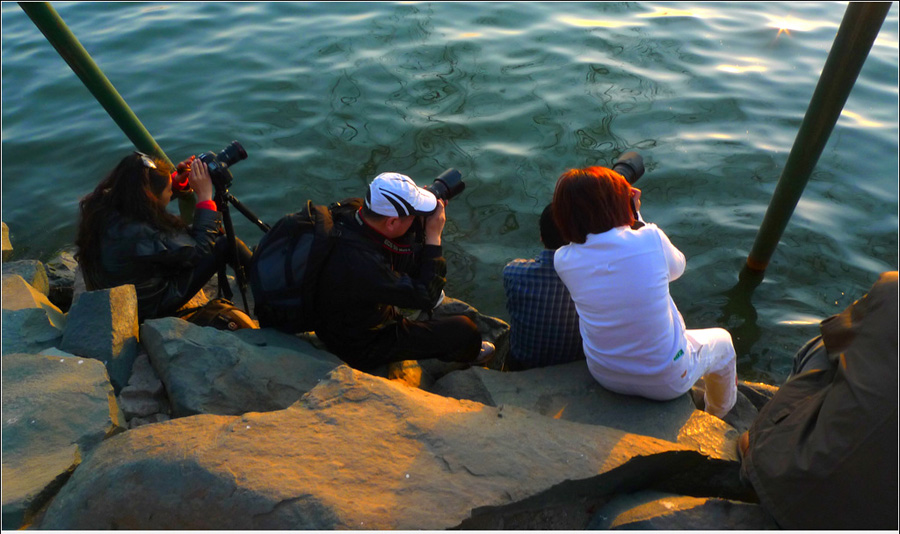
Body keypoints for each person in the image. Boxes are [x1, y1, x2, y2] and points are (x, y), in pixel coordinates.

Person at [551, 166, 737, 419]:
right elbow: (677, 268)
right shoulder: (650, 238)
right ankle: (717, 416)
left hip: (605, 374)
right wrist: (636, 215)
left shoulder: (563, 260)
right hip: (667, 381)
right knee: (724, 341)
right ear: (620, 204)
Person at [737, 271, 898, 530]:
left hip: (781, 483)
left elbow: (835, 338)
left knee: (827, 345)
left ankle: (767, 437)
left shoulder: (894, 288)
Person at [312, 172, 494, 372]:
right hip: (359, 342)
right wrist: (434, 236)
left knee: (406, 242)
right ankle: (466, 358)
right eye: (413, 215)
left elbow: (398, 240)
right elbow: (428, 297)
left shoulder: (353, 210)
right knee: (464, 331)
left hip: (340, 310)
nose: (417, 218)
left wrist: (417, 213)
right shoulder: (365, 265)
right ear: (391, 222)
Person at [74, 151, 253, 324]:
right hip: (148, 306)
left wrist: (175, 182)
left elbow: (146, 201)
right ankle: (267, 291)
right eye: (169, 190)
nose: (170, 193)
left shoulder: (102, 204)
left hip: (120, 288)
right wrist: (205, 197)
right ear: (150, 196)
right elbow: (201, 249)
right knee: (227, 244)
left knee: (194, 233)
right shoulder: (141, 233)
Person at [503, 204, 583, 370]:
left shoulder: (513, 272)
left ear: (541, 236)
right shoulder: (592, 280)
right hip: (574, 364)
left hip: (523, 364)